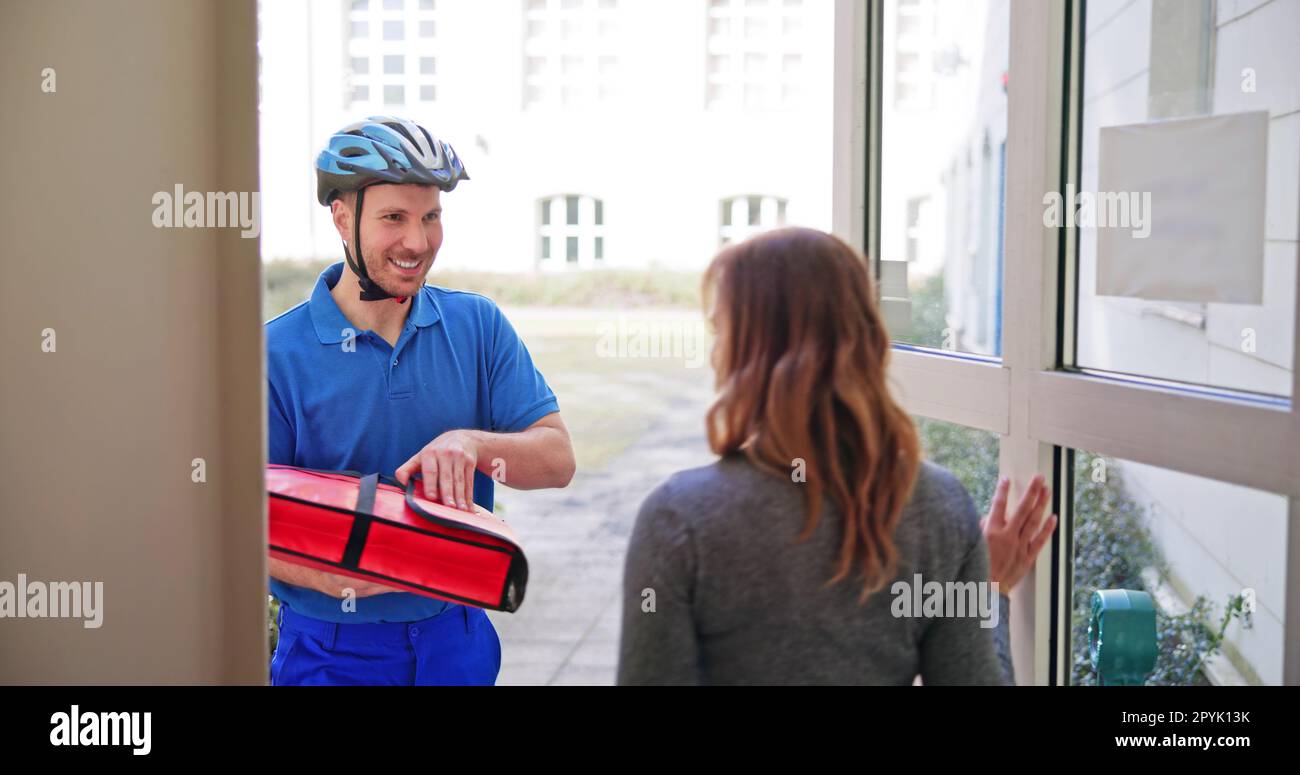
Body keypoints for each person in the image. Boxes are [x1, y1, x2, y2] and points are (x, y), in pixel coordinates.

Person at [617, 227, 1056, 685]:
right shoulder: (938, 507)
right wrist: (990, 592)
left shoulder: (678, 518)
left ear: (751, 350)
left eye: (719, 331)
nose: (713, 355)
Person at [266, 116, 575, 685]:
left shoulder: (477, 324)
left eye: (431, 217)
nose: (418, 241)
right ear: (342, 217)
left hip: (455, 636)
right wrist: (328, 577)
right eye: (394, 218)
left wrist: (474, 444)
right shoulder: (275, 353)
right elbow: (236, 523)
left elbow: (556, 461)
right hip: (333, 648)